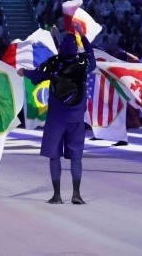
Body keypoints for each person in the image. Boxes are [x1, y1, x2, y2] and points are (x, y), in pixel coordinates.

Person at [19, 31, 96, 204]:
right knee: (76, 157)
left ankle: (57, 195)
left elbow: (37, 75)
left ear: (61, 47)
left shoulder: (54, 63)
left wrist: (24, 71)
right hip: (76, 119)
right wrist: (84, 38)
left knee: (54, 156)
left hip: (56, 118)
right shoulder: (84, 62)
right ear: (76, 48)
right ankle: (76, 194)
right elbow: (92, 56)